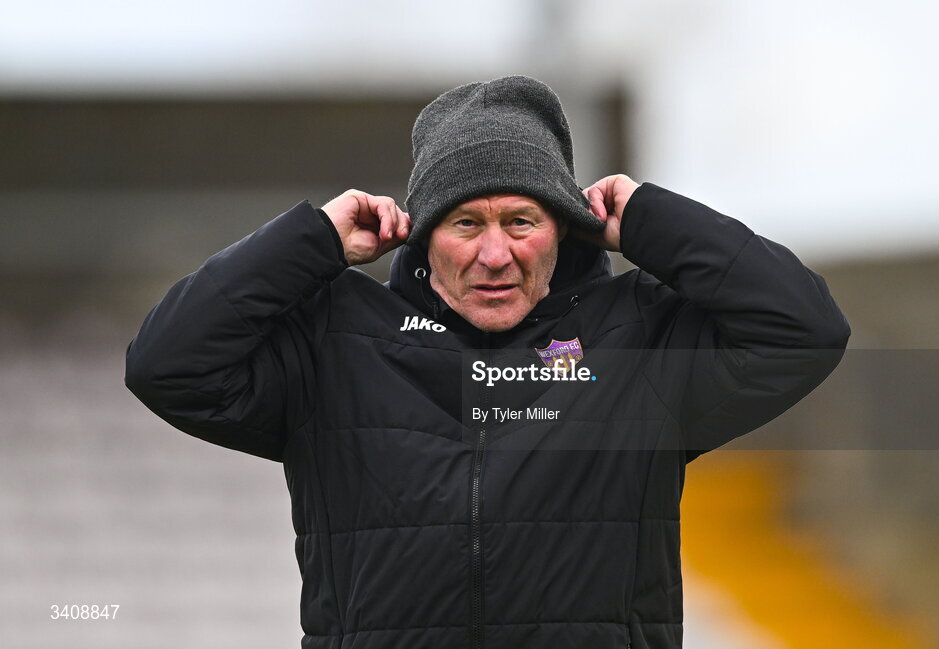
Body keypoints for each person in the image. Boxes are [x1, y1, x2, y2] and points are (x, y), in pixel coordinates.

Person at [125, 75, 849, 649]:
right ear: (421, 235)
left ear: (564, 230)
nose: (494, 254)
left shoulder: (637, 339)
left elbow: (804, 328)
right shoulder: (333, 339)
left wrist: (654, 220)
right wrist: (310, 240)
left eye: (522, 220)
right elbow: (166, 364)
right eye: (466, 222)